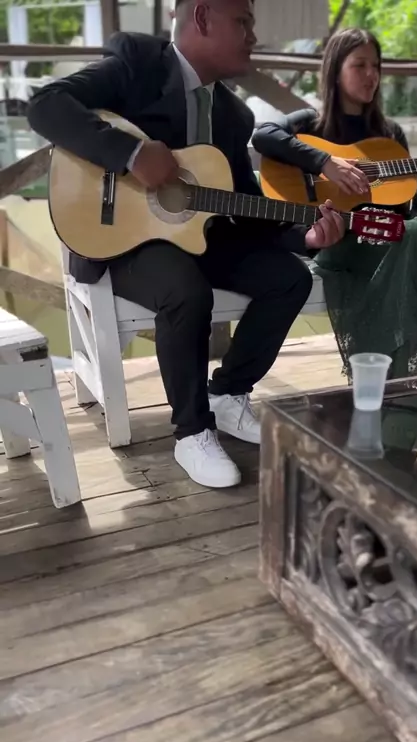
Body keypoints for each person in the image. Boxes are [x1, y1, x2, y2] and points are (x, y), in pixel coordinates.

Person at [26, 0, 345, 489]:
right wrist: (130, 153)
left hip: (200, 237)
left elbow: (247, 208)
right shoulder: (138, 63)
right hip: (122, 240)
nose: (253, 36)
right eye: (243, 22)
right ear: (201, 18)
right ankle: (192, 432)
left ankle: (228, 394)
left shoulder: (234, 114)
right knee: (184, 290)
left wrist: (306, 234)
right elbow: (46, 105)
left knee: (289, 279)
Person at [252, 28, 417, 381]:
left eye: (376, 66)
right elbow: (263, 135)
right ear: (335, 71)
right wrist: (326, 163)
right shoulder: (310, 124)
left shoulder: (389, 136)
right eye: (360, 65)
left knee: (411, 235)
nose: (371, 74)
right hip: (337, 244)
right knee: (414, 241)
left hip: (387, 242)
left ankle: (391, 376)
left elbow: (401, 213)